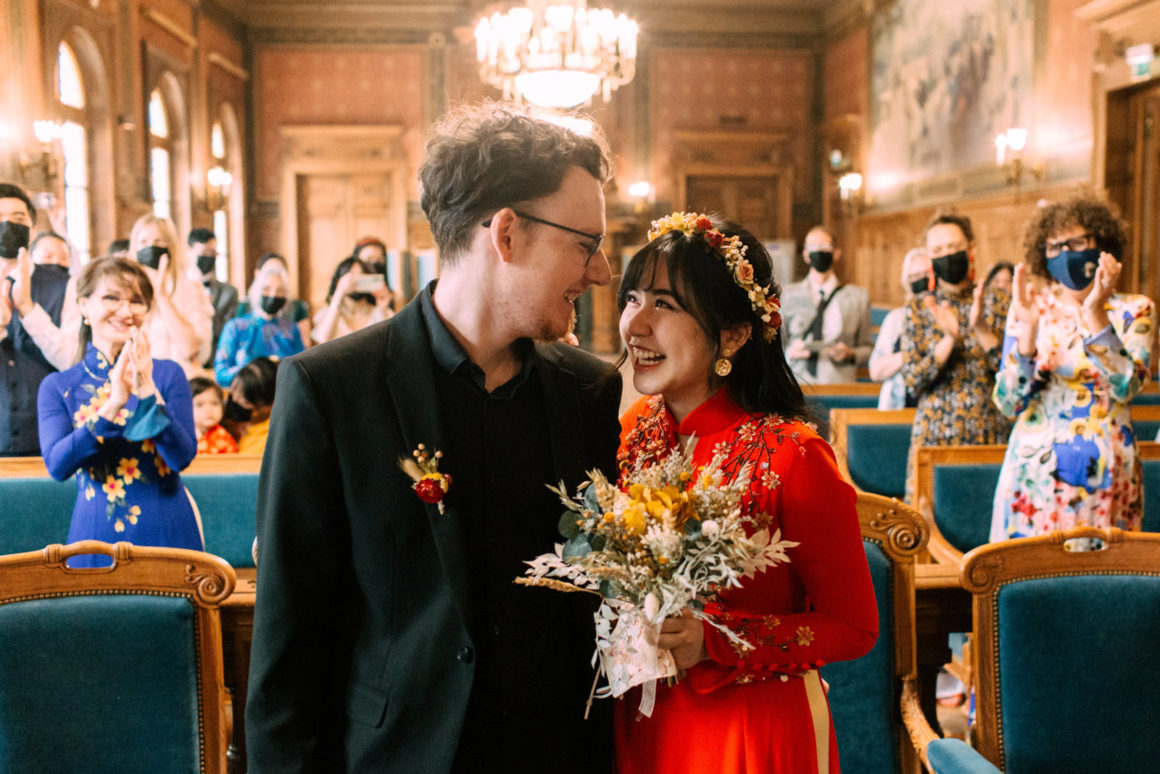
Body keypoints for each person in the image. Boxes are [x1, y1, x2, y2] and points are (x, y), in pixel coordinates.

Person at [246, 102, 621, 774]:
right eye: (585, 244)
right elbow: (288, 652)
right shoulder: (330, 390)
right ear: (507, 234)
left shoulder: (589, 391)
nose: (600, 273)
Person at [615, 213, 877, 772]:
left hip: (752, 730)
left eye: (664, 304)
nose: (635, 323)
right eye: (632, 298)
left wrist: (716, 640)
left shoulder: (794, 454)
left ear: (733, 334)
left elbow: (854, 628)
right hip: (647, 717)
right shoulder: (634, 430)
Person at [991, 193, 1153, 540]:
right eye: (1054, 246)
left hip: (1106, 475)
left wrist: (1094, 312)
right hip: (1033, 475)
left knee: (1100, 573)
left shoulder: (1134, 310)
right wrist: (1027, 334)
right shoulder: (1029, 307)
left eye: (1076, 242)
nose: (1066, 253)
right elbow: (1007, 402)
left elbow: (1127, 386)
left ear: (1101, 243)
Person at [36, 256, 201, 567]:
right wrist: (111, 406)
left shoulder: (169, 375)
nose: (126, 312)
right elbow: (58, 466)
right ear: (84, 305)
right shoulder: (59, 386)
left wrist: (147, 391)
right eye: (111, 298)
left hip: (168, 532)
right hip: (95, 536)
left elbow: (181, 457)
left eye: (136, 301)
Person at [901, 210, 1011, 502]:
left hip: (990, 432)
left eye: (953, 247)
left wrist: (982, 330)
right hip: (934, 435)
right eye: (938, 250)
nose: (947, 255)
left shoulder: (999, 301)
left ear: (971, 248)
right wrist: (949, 340)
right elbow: (913, 381)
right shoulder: (919, 308)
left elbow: (1013, 375)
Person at [0, 183, 69, 455]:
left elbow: (72, 359)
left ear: (33, 229)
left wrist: (29, 311)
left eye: (17, 218)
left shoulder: (64, 285)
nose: (7, 225)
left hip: (50, 436)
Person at [781, 224, 873, 384]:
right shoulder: (787, 295)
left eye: (824, 246)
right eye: (812, 247)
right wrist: (790, 352)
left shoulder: (858, 298)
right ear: (806, 254)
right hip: (796, 382)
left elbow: (869, 349)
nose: (819, 251)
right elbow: (774, 347)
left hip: (840, 384)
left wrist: (850, 354)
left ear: (836, 253)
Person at [128, 214, 214, 376]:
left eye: (158, 241)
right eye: (143, 242)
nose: (151, 247)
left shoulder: (190, 289)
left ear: (170, 247)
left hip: (180, 376)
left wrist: (162, 296)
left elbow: (193, 350)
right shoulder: (127, 291)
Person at [214, 261, 304, 387]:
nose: (273, 295)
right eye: (267, 289)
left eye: (279, 290)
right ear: (256, 291)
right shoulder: (235, 327)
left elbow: (302, 370)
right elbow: (221, 374)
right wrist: (251, 375)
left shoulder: (291, 329)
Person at [869, 247, 930, 410]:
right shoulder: (896, 318)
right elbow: (875, 371)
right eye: (915, 276)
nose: (921, 280)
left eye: (926, 274)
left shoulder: (948, 315)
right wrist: (909, 354)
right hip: (897, 406)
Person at [186, 227, 239, 367]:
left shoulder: (229, 292)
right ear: (189, 252)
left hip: (215, 361)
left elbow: (227, 332)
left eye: (212, 253)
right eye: (204, 252)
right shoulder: (178, 289)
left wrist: (208, 310)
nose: (209, 258)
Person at [310, 256, 391, 344]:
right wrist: (339, 293)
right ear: (338, 281)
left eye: (361, 275)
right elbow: (323, 339)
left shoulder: (379, 311)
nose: (355, 281)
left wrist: (382, 310)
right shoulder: (327, 313)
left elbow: (386, 341)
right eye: (350, 277)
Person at [236, 251, 312, 344]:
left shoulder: (297, 308)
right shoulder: (243, 309)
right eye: (270, 270)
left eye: (280, 270)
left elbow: (305, 343)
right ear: (258, 274)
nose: (275, 274)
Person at [190, 376, 237, 454]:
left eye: (214, 403)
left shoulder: (224, 438)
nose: (208, 409)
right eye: (200, 405)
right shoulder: (182, 436)